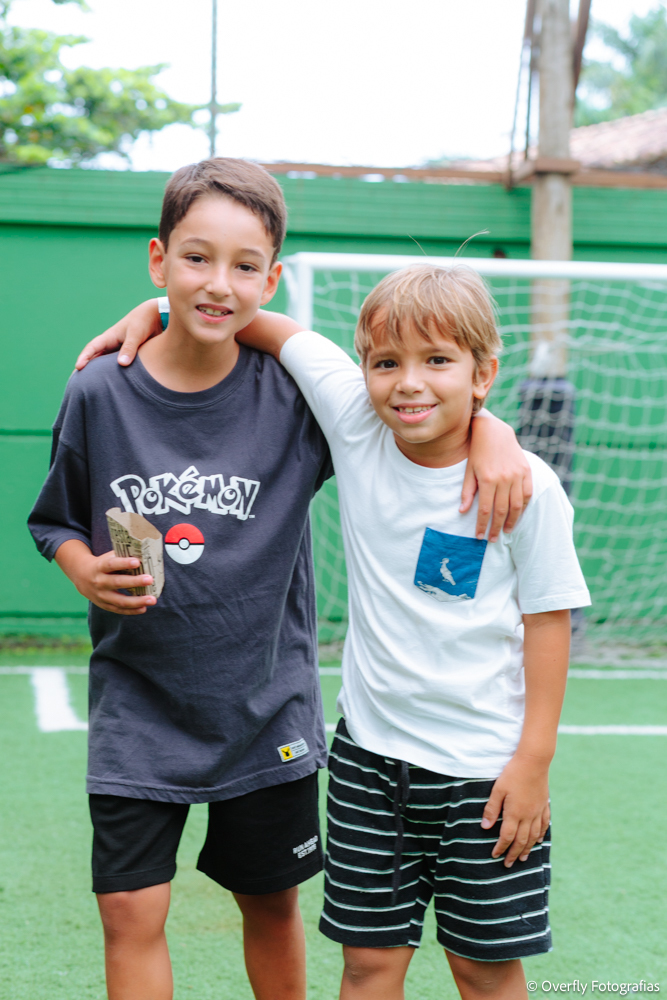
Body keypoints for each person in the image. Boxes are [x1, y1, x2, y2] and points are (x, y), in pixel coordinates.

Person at [29, 157, 533, 1000]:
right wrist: (83, 566)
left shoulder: (297, 398)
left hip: (266, 712)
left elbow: (419, 409)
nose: (216, 282)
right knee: (127, 909)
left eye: (243, 265)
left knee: (268, 905)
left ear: (272, 277)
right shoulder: (98, 393)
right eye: (194, 259)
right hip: (137, 705)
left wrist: (493, 431)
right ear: (159, 260)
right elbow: (54, 521)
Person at [225, 264, 591, 1000]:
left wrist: (533, 763)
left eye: (437, 360)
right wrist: (148, 314)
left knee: (484, 972)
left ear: (482, 374)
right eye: (385, 362)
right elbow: (257, 321)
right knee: (366, 966)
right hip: (370, 763)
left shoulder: (526, 486)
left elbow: (548, 621)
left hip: (486, 774)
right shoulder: (355, 425)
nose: (408, 382)